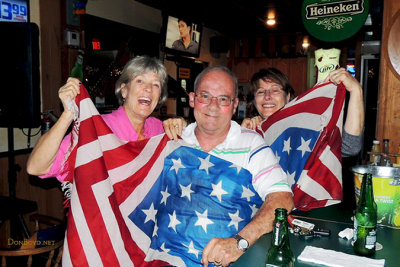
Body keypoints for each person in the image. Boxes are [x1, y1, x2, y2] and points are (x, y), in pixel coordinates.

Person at [176, 66, 293, 266]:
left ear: (234, 104)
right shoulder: (173, 141)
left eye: (223, 99)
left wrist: (239, 242)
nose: (213, 106)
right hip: (169, 256)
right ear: (193, 99)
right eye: (205, 96)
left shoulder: (251, 144)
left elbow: (282, 199)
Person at [27, 55, 183, 180]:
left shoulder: (158, 128)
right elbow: (36, 167)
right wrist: (68, 114)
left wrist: (182, 125)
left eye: (156, 84)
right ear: (124, 90)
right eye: (140, 81)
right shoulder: (97, 128)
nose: (148, 89)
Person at [241, 67, 364, 157]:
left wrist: (356, 90)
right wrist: (243, 136)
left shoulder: (303, 128)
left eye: (275, 91)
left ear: (288, 96)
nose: (267, 96)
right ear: (254, 100)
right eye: (261, 92)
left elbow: (349, 147)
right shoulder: (248, 130)